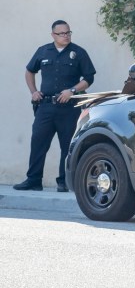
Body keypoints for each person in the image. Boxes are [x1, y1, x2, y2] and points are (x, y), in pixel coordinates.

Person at [14, 21, 96, 192]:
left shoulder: (78, 52)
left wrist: (72, 90)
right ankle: (34, 180)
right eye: (61, 33)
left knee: (67, 145)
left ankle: (64, 182)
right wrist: (33, 92)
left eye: (68, 32)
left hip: (69, 108)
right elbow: (30, 71)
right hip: (45, 107)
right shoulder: (43, 51)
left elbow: (89, 78)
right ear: (53, 35)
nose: (66, 35)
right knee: (38, 142)